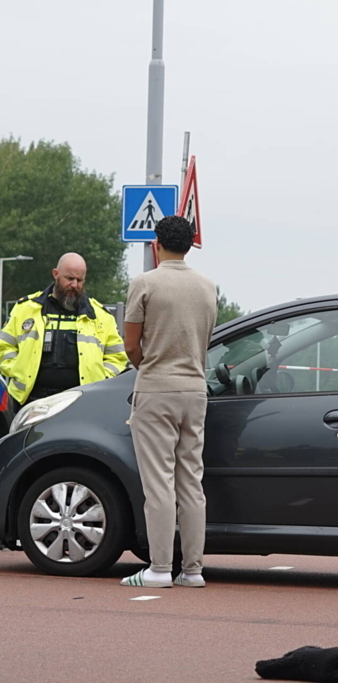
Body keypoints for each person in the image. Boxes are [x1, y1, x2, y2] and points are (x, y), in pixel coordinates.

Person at [120, 216, 217, 589]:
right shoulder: (207, 286)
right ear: (190, 245)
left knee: (159, 482)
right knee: (191, 480)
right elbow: (204, 338)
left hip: (156, 388)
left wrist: (148, 366)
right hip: (195, 390)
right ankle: (193, 570)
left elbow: (131, 344)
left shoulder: (145, 283)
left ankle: (159, 568)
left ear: (156, 245)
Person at [0, 253, 128, 409]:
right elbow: (4, 346)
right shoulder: (26, 309)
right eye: (69, 279)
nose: (74, 285)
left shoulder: (100, 316)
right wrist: (16, 369)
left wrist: (101, 377)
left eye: (79, 280)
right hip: (30, 401)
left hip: (81, 402)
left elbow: (117, 356)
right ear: (56, 274)